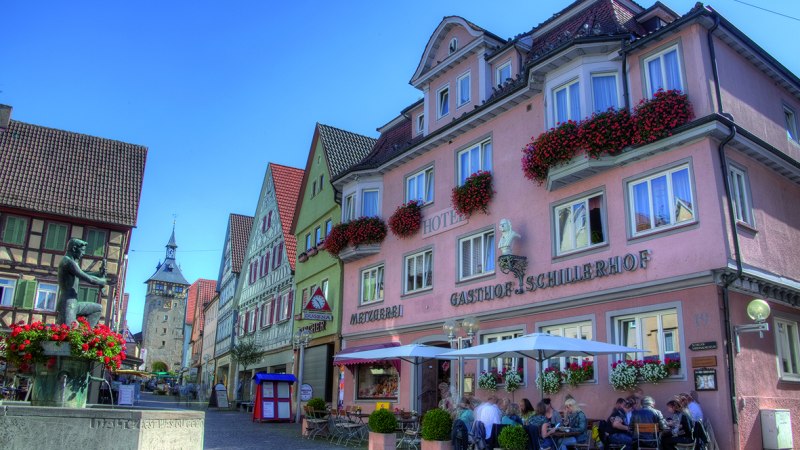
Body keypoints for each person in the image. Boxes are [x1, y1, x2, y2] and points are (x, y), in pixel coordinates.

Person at [57, 238, 107, 326]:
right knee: (68, 332)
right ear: (74, 249)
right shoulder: (68, 262)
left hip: (73, 302)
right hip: (68, 304)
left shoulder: (72, 263)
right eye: (82, 250)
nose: (83, 253)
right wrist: (103, 281)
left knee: (97, 309)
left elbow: (83, 273)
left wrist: (98, 274)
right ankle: (83, 335)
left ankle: (85, 333)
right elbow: (88, 279)